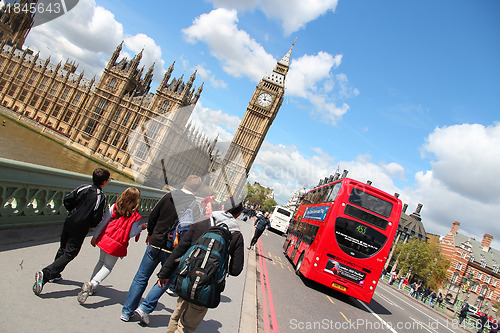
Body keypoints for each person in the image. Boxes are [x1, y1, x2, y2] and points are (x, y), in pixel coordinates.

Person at [121, 175, 202, 322]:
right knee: (165, 280)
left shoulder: (168, 196)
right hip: (174, 249)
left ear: (184, 183)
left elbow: (152, 216)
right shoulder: (195, 207)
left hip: (155, 242)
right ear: (197, 190)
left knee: (141, 277)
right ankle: (144, 308)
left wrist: (151, 233)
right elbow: (193, 233)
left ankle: (126, 312)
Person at [157, 200, 245, 333]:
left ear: (222, 207)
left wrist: (165, 273)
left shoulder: (202, 223)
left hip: (186, 278)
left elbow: (180, 250)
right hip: (207, 286)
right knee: (187, 326)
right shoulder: (236, 235)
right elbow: (236, 270)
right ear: (238, 215)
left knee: (176, 317)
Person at [33, 168, 110, 295]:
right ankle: (46, 274)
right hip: (81, 226)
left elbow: (68, 199)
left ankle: (55, 274)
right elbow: (98, 216)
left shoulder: (83, 188)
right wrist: (91, 225)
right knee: (70, 253)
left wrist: (73, 212)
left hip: (70, 220)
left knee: (63, 248)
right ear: (104, 182)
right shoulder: (100, 197)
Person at [77, 187, 147, 304]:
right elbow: (131, 234)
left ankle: (90, 287)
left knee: (100, 261)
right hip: (116, 244)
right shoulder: (135, 216)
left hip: (105, 239)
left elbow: (103, 222)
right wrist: (141, 227)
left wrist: (95, 236)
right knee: (108, 267)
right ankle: (92, 284)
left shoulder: (115, 207)